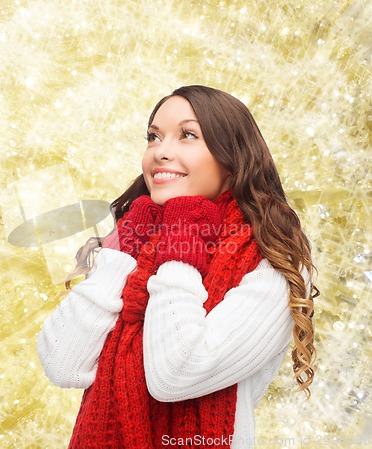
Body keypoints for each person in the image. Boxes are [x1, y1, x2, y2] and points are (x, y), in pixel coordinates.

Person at [37, 85, 318, 449]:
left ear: (232, 159)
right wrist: (124, 244)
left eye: (187, 135)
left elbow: (175, 374)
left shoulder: (271, 262)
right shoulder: (137, 238)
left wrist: (182, 239)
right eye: (153, 137)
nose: (161, 151)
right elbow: (63, 364)